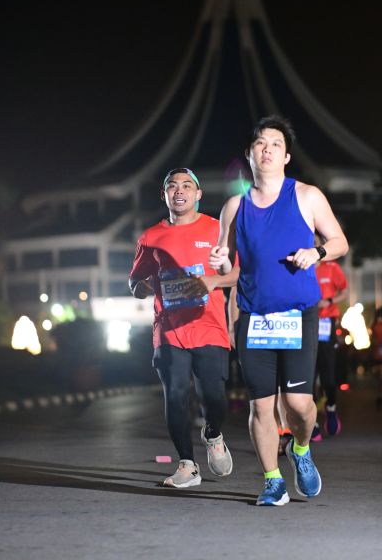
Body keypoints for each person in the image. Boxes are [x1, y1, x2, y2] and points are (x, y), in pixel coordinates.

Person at [209, 115, 349, 506]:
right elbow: (228, 265)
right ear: (249, 154)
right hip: (254, 318)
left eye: (275, 144)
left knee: (299, 405)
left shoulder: (306, 196)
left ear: (286, 156)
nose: (267, 150)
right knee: (261, 405)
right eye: (260, 143)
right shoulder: (234, 206)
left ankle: (300, 448)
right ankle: (273, 481)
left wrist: (316, 252)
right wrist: (220, 261)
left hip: (298, 316)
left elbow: (339, 242)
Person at [129, 168, 238, 488]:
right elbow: (135, 282)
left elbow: (239, 274)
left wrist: (212, 281)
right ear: (164, 194)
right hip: (169, 330)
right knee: (175, 394)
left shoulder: (217, 229)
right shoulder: (151, 237)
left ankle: (213, 435)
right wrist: (148, 287)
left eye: (187, 186)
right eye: (172, 186)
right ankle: (187, 465)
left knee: (214, 397)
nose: (179, 191)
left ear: (198, 194)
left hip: (209, 326)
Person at [312, 233, 348, 441]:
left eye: (316, 242)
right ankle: (312, 422)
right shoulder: (300, 267)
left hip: (326, 325)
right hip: (305, 325)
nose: (312, 245)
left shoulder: (332, 268)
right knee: (307, 376)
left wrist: (329, 301)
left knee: (328, 376)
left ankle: (331, 407)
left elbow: (345, 291)